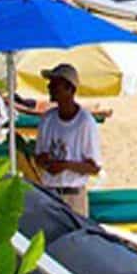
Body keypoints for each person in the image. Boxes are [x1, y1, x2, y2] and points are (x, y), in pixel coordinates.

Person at [32, 63, 101, 216]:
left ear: (70, 89)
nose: (49, 87)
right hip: (50, 193)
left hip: (73, 196)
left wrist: (65, 166)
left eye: (55, 84)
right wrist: (45, 161)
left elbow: (94, 167)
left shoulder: (85, 122)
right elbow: (38, 157)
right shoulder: (47, 119)